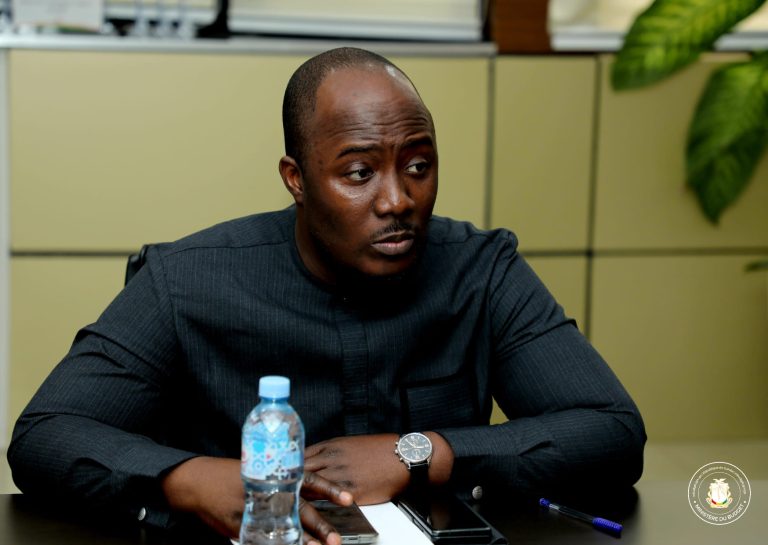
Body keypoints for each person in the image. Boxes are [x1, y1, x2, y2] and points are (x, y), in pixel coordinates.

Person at [8, 47, 646, 544]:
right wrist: (191, 480)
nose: (397, 200)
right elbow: (45, 435)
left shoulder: (480, 271)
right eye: (359, 173)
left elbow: (612, 431)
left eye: (418, 167)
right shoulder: (187, 280)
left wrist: (421, 452)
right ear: (297, 179)